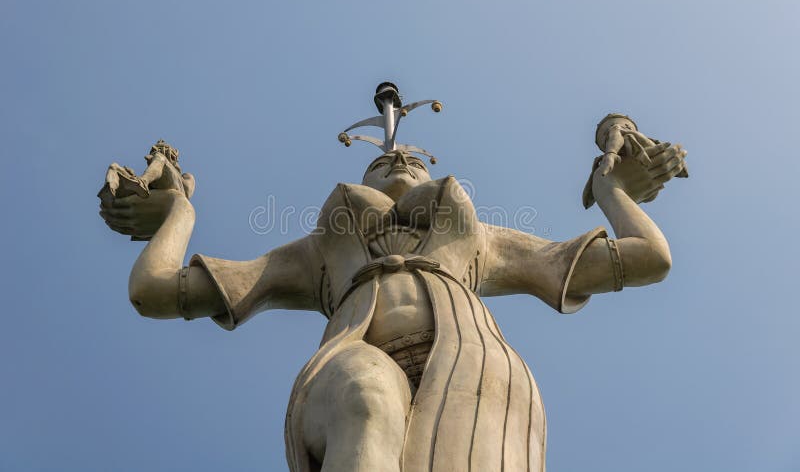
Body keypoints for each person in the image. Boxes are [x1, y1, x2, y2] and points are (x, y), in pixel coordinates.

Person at [100, 108, 687, 472]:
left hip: (477, 372)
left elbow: (650, 260)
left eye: (410, 156)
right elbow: (155, 291)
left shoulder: (483, 241)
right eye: (386, 159)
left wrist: (611, 189)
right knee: (366, 392)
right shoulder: (317, 252)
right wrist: (176, 213)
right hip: (351, 358)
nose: (397, 154)